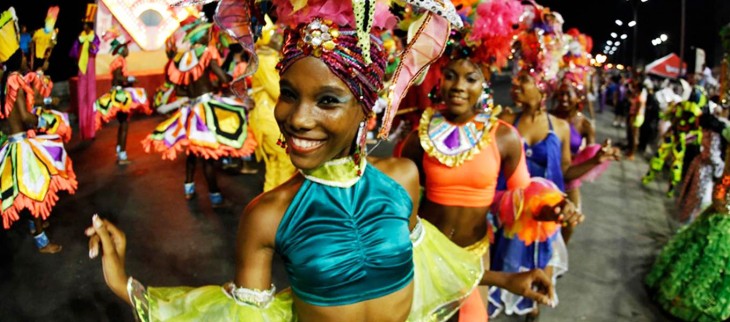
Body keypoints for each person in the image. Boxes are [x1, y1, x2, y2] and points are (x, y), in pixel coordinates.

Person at [88, 1, 554, 321]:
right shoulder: (268, 216)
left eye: (327, 101)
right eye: (288, 95)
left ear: (366, 110)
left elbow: (433, 267)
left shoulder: (402, 181)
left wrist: (506, 280)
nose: (296, 118)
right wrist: (129, 287)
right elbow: (245, 315)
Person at [399, 1, 575, 320]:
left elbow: (520, 201)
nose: (458, 87)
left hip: (474, 256)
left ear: (485, 85)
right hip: (422, 254)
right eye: (451, 76)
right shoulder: (420, 135)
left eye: (470, 79)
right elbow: (400, 198)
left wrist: (553, 210)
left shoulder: (504, 137)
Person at [142, 19, 255, 206]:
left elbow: (181, 88)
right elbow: (221, 76)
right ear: (201, 36)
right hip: (205, 109)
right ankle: (214, 194)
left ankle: (189, 187)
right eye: (206, 33)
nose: (209, 36)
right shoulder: (206, 53)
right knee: (207, 153)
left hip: (190, 108)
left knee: (193, 151)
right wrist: (234, 80)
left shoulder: (183, 59)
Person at [0, 8, 76, 254]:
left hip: (13, 143)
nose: (25, 58)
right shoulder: (16, 83)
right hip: (21, 144)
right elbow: (24, 117)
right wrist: (41, 120)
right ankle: (41, 239)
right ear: (15, 59)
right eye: (22, 55)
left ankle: (36, 224)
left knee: (29, 188)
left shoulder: (4, 84)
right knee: (37, 187)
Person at [645, 141, 730, 321]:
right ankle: (693, 304)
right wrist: (720, 200)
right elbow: (725, 178)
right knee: (709, 264)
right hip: (724, 218)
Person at [551, 72, 618, 243]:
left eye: (568, 94)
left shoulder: (585, 125)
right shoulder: (547, 116)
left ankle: (558, 262)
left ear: (578, 97)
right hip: (547, 174)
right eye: (561, 94)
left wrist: (603, 153)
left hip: (569, 180)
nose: (563, 98)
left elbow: (590, 155)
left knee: (569, 225)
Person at [94, 33, 151, 164]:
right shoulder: (119, 61)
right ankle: (122, 154)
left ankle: (120, 151)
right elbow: (118, 78)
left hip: (119, 93)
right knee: (124, 124)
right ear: (121, 49)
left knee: (123, 124)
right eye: (125, 47)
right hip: (120, 95)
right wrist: (130, 79)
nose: (127, 50)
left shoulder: (119, 61)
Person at [70, 5, 99, 140]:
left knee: (91, 96)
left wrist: (92, 46)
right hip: (82, 69)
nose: (84, 27)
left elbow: (95, 50)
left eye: (86, 25)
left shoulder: (94, 37)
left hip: (90, 66)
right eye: (83, 25)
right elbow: (75, 54)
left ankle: (91, 129)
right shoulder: (79, 38)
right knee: (82, 97)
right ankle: (83, 128)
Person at [29, 6, 58, 72]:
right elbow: (32, 42)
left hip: (46, 59)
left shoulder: (53, 33)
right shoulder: (39, 32)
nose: (51, 23)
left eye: (53, 22)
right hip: (37, 59)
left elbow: (53, 45)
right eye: (49, 21)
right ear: (45, 20)